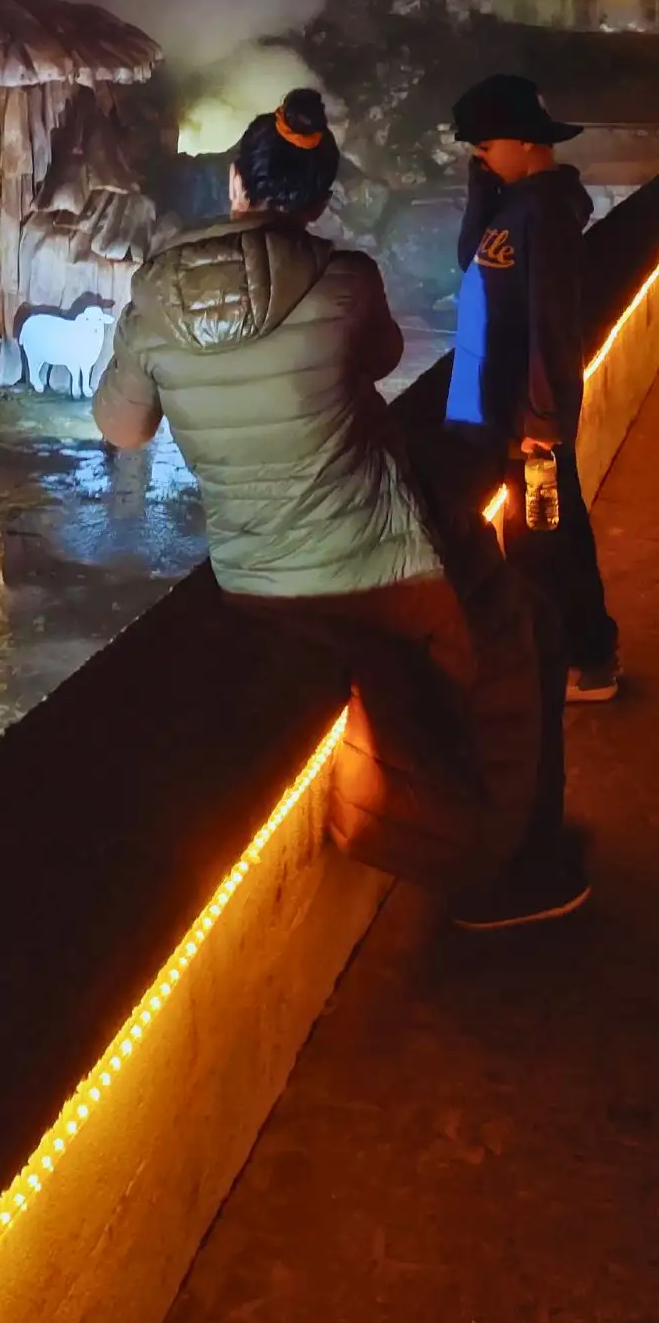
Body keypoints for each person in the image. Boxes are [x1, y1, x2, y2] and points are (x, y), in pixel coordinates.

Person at [94, 87, 588, 930]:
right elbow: (386, 356)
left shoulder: (154, 295)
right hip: (377, 567)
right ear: (320, 200)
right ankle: (510, 868)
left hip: (253, 579)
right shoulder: (344, 279)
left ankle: (484, 850)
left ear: (234, 186)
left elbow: (123, 426)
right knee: (519, 643)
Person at [446, 73, 619, 703]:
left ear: (522, 142)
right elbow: (472, 258)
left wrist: (542, 418)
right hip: (503, 402)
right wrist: (480, 188)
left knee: (547, 540)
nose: (479, 155)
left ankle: (586, 660)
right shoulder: (515, 200)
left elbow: (553, 321)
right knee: (544, 535)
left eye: (485, 146)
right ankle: (579, 656)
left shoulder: (546, 210)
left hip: (529, 412)